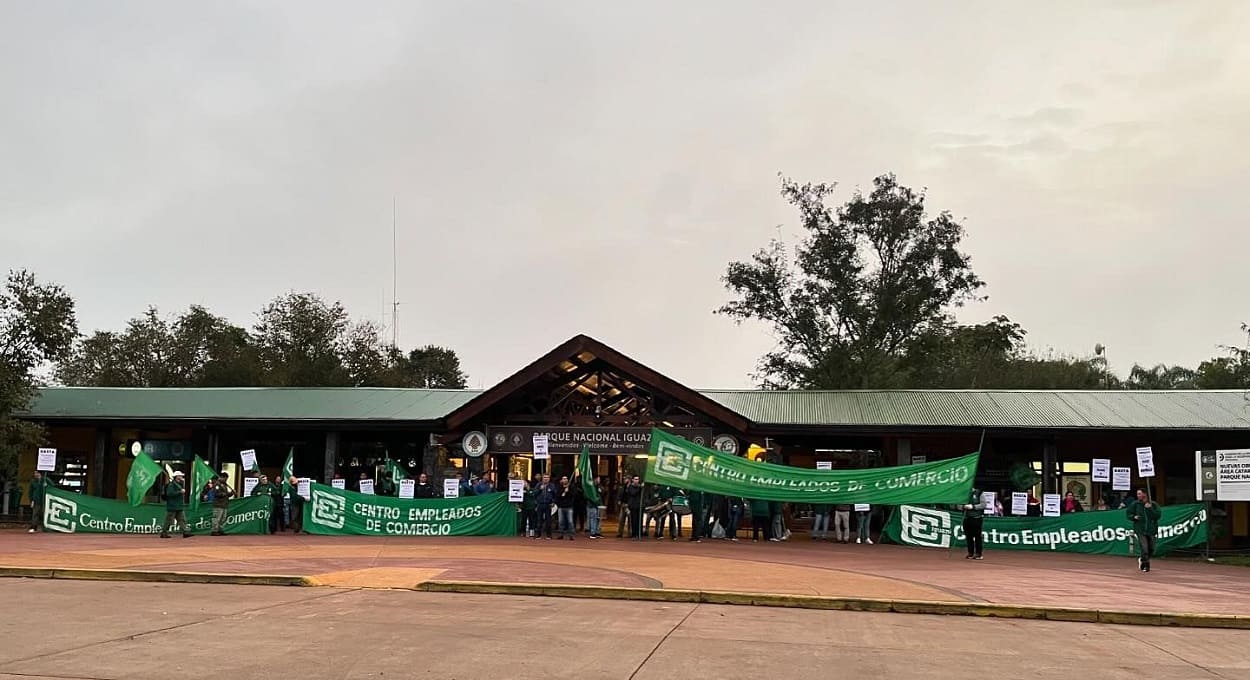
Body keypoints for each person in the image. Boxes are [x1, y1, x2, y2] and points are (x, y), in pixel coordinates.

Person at [1125, 488, 1162, 572]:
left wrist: (1150, 509)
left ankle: (1142, 559)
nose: (1138, 495)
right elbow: (1129, 513)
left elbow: (1157, 515)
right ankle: (1146, 565)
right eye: (1137, 494)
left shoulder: (1153, 504)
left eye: (1139, 494)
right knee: (1144, 547)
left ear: (1144, 494)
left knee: (1151, 548)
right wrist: (1134, 517)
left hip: (1151, 529)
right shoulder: (1135, 504)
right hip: (1140, 529)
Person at [159, 471, 192, 539]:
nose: (181, 477)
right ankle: (164, 532)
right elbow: (169, 493)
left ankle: (185, 531)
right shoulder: (171, 485)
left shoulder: (179, 484)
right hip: (172, 506)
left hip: (179, 505)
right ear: (177, 477)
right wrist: (179, 492)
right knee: (169, 520)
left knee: (182, 519)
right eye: (180, 476)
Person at [960, 488, 987, 560]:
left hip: (977, 518)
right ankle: (970, 553)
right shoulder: (963, 493)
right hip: (967, 518)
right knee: (968, 536)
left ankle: (979, 553)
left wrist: (973, 507)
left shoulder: (979, 493)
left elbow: (984, 505)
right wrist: (962, 506)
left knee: (977, 536)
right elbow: (957, 505)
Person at [534, 474, 556, 539]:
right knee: (539, 520)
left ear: (549, 478)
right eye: (544, 477)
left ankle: (549, 535)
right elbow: (534, 493)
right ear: (542, 478)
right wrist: (540, 489)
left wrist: (553, 502)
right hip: (540, 504)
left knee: (548, 520)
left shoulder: (552, 485)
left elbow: (555, 495)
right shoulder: (538, 485)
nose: (546, 478)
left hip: (548, 504)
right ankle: (538, 535)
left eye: (547, 477)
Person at [555, 475, 576, 540]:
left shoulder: (571, 487)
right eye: (563, 479)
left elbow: (574, 495)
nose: (564, 480)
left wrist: (568, 491)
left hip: (569, 506)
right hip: (561, 507)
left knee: (570, 521)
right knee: (561, 521)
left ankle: (571, 535)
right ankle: (561, 534)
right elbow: (557, 496)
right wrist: (563, 492)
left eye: (566, 479)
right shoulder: (559, 487)